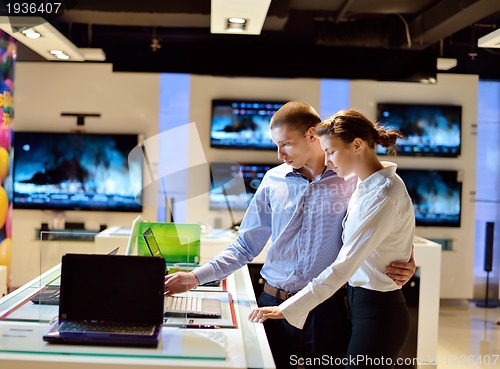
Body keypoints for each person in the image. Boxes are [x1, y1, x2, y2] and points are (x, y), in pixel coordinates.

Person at [165, 102, 416, 368]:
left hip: (326, 311)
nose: (279, 154)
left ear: (311, 135)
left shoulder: (354, 178)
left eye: (285, 144)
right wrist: (195, 277)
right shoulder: (273, 180)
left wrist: (406, 258)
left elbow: (391, 221)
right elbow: (245, 245)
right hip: (271, 303)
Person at [248, 108, 415, 368]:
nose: (327, 160)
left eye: (331, 152)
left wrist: (287, 309)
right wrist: (406, 253)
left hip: (377, 308)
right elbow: (387, 233)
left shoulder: (383, 192)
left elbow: (345, 263)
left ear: (357, 145)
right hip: (357, 304)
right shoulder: (363, 184)